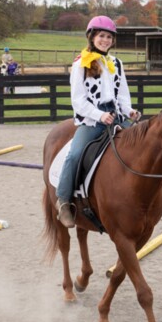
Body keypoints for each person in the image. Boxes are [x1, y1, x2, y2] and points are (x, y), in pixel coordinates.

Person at [56, 15, 141, 228]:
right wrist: (99, 115)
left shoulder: (116, 64)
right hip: (91, 119)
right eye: (101, 36)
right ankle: (64, 202)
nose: (105, 40)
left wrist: (129, 111)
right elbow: (78, 100)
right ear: (92, 37)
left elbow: (122, 94)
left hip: (116, 116)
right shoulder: (81, 63)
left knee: (143, 145)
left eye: (109, 37)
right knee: (74, 155)